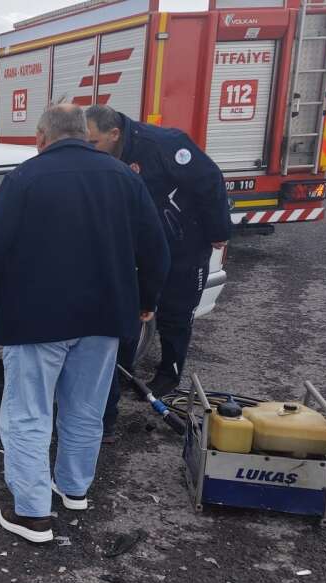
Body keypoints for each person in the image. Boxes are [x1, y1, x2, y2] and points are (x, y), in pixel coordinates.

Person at [0, 104, 169, 543]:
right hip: (105, 317)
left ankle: (32, 515)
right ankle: (73, 490)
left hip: (37, 318)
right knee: (85, 409)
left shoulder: (27, 178)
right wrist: (146, 301)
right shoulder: (124, 177)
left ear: (41, 136)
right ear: (85, 134)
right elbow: (156, 248)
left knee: (28, 414)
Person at [85, 105, 232, 440]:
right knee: (129, 310)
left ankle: (169, 371)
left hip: (183, 243)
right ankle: (123, 370)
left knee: (176, 313)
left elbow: (210, 181)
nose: (88, 147)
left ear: (114, 134)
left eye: (93, 142)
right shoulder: (105, 155)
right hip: (140, 246)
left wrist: (218, 231)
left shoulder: (165, 146)